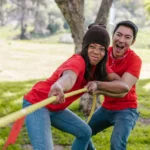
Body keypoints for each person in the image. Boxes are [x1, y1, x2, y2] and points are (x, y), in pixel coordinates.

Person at [22, 24, 129, 150]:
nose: (96, 52)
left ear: (105, 52)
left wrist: (98, 84)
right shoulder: (78, 61)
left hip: (56, 108)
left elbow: (124, 86)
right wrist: (58, 86)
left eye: (101, 49)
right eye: (92, 47)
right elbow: (69, 77)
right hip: (38, 104)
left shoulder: (100, 67)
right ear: (85, 47)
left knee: (85, 132)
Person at [86, 20, 142, 150]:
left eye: (127, 37)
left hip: (127, 109)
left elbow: (123, 91)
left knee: (116, 144)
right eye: (119, 34)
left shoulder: (135, 60)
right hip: (106, 107)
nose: (122, 40)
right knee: (82, 132)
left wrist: (98, 87)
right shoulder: (102, 53)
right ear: (113, 36)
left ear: (132, 42)